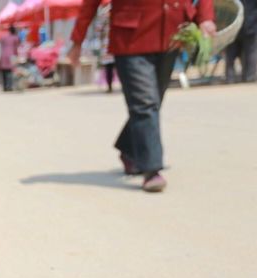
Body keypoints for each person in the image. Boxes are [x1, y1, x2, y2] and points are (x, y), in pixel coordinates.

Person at [70, 0, 216, 192]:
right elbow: (90, 3)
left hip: (172, 32)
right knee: (145, 103)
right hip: (131, 37)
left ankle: (129, 149)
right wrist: (77, 40)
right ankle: (152, 169)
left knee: (153, 101)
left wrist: (205, 18)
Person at [225, 0, 257, 82]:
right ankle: (250, 77)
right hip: (250, 23)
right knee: (251, 52)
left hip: (232, 23)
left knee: (231, 54)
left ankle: (230, 77)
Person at [0, 26, 21, 92]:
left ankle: (4, 87)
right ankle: (9, 86)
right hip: (11, 55)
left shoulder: (3, 37)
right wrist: (17, 56)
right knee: (10, 71)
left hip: (3, 55)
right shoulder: (15, 38)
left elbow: (1, 45)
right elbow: (16, 48)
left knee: (4, 71)